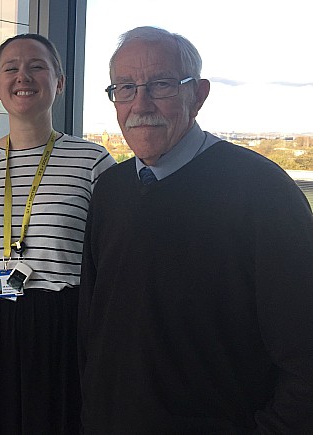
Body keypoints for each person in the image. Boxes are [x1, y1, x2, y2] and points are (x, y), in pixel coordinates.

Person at [78, 26, 313, 433]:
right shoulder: (111, 190)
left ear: (199, 94)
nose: (140, 103)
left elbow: (304, 352)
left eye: (161, 85)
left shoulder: (262, 191)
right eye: (125, 88)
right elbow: (95, 327)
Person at [0, 33, 115, 434]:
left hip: (63, 325)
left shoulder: (93, 161)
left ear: (59, 81)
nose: (24, 75)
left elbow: (106, 258)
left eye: (37, 65)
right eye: (11, 68)